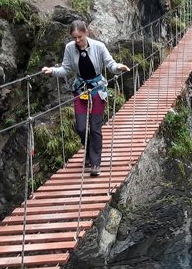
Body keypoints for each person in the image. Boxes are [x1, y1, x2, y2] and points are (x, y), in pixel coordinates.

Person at [42, 20, 130, 177]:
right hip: (80, 89)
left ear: (86, 33)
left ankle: (95, 163)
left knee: (95, 128)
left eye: (80, 37)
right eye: (74, 37)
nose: (77, 41)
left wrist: (118, 68)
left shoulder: (99, 46)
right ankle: (89, 151)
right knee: (81, 127)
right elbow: (66, 69)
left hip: (97, 89)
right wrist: (52, 71)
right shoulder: (70, 48)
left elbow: (110, 65)